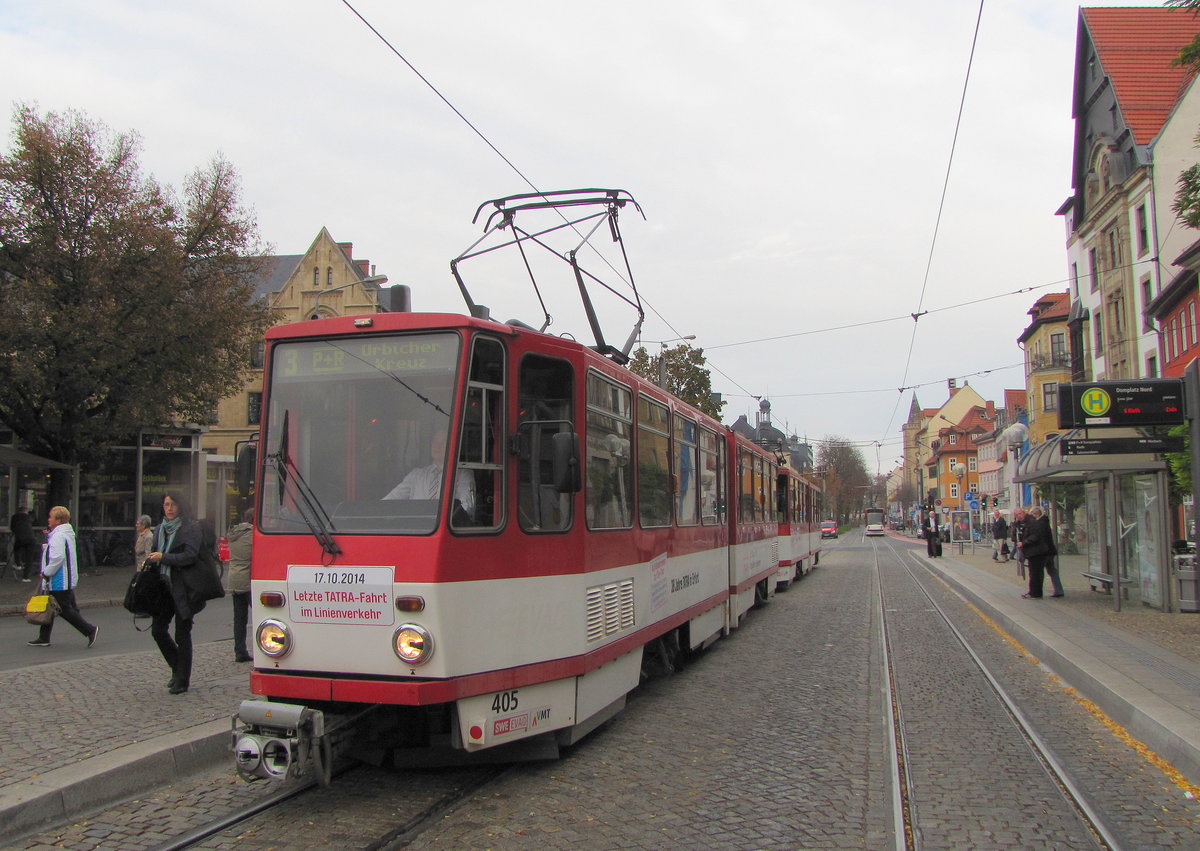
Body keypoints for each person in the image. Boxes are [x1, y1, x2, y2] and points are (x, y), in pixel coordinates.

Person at [147, 492, 205, 694]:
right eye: (166, 504)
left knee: (182, 633)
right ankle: (177, 667)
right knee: (158, 631)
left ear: (181, 506)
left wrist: (164, 557)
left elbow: (190, 556)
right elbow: (155, 552)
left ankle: (183, 679)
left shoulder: (191, 528)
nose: (169, 508)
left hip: (185, 587)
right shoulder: (160, 529)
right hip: (163, 586)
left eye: (173, 504)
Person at [28, 506, 98, 648]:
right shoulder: (63, 534)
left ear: (58, 520)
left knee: (62, 608)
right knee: (54, 606)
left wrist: (46, 572)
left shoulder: (58, 536)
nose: (48, 519)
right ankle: (44, 637)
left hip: (59, 579)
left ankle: (89, 630)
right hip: (64, 578)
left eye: (50, 517)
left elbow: (57, 557)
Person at [384, 430, 474, 514]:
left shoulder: (462, 475)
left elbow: (467, 507)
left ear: (453, 445)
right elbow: (390, 501)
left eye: (443, 442)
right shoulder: (416, 475)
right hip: (417, 528)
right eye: (435, 441)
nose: (437, 446)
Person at [226, 508, 254, 663]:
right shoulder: (251, 535)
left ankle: (239, 650)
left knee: (239, 618)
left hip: (234, 578)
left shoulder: (234, 534)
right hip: (247, 578)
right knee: (258, 615)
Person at [1019, 505, 1058, 599]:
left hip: (1041, 551)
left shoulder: (1040, 523)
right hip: (1045, 551)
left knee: (1037, 573)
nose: (1031, 516)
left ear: (1036, 514)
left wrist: (1024, 542)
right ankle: (1057, 590)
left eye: (1032, 514)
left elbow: (1036, 537)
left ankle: (1036, 593)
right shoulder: (1042, 522)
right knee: (1048, 571)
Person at [10, 504, 36, 581]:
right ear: (26, 511)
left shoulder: (14, 517)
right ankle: (26, 577)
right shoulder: (29, 518)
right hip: (31, 538)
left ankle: (18, 564)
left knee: (17, 548)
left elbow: (12, 527)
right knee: (29, 558)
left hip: (20, 537)